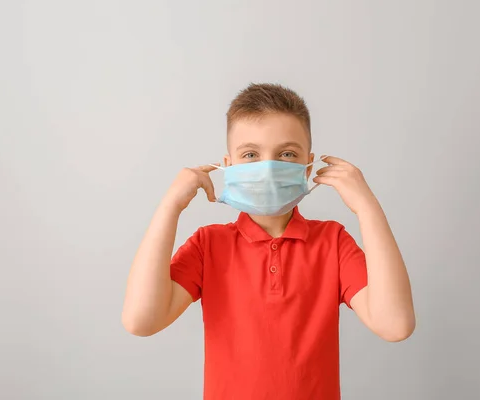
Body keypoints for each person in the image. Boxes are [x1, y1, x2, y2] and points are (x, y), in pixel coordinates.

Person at [122, 83, 415, 400]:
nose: (268, 168)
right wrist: (170, 207)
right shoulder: (209, 245)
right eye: (251, 154)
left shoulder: (332, 241)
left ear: (307, 165)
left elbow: (395, 325)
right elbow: (141, 320)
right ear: (229, 164)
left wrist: (367, 208)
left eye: (286, 154)